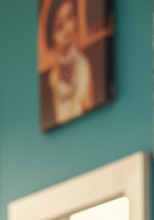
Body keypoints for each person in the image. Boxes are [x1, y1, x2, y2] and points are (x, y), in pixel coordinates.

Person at [39, 0, 94, 129]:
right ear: (51, 36)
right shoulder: (53, 74)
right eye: (59, 26)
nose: (67, 29)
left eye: (70, 17)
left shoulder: (84, 65)